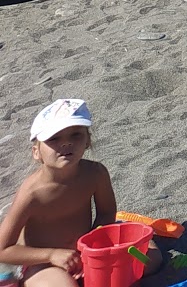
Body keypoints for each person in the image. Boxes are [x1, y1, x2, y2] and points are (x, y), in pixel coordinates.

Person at [0, 99, 128, 287]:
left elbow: (107, 213)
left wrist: (91, 248)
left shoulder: (96, 173)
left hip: (86, 252)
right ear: (36, 152)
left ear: (87, 141)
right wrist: (52, 255)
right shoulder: (33, 193)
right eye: (54, 138)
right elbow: (3, 250)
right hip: (41, 263)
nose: (66, 143)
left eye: (76, 135)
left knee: (150, 259)